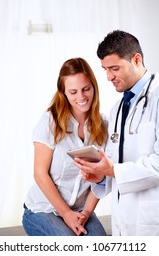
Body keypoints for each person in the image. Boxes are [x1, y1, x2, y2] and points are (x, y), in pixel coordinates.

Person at [74, 30, 159, 236]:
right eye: (105, 69)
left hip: (152, 218)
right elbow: (114, 161)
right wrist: (101, 175)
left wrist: (112, 170)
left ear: (136, 59)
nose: (109, 76)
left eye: (114, 68)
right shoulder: (117, 109)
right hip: (123, 219)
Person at [22, 57, 108, 236]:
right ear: (64, 93)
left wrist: (86, 212)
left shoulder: (105, 126)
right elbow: (40, 173)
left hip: (80, 209)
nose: (81, 97)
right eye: (73, 92)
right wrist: (66, 214)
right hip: (42, 209)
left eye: (86, 89)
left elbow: (102, 178)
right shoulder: (50, 122)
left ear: (94, 87)